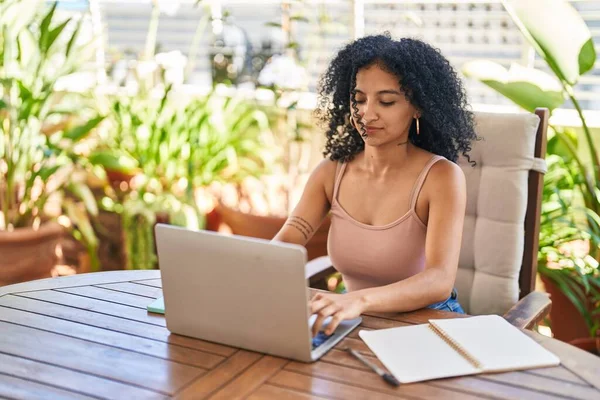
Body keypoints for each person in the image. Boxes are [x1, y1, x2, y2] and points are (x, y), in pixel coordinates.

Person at [272, 33, 478, 337]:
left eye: (386, 101)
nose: (367, 114)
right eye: (359, 99)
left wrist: (358, 300)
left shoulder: (441, 178)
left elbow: (439, 279)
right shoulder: (330, 174)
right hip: (356, 325)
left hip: (430, 324)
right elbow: (285, 243)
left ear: (418, 107)